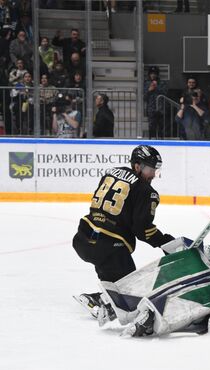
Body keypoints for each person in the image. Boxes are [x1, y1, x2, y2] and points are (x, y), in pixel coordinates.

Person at [72, 145, 175, 320]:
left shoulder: (111, 172)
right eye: (150, 169)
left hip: (84, 237)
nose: (153, 175)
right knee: (132, 293)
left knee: (115, 276)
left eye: (155, 170)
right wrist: (166, 242)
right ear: (137, 166)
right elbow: (142, 230)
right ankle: (99, 300)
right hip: (110, 247)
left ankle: (106, 293)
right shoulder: (147, 192)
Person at [143, 66, 167, 139]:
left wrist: (156, 87)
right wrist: (150, 90)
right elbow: (144, 97)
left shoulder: (162, 83)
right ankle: (151, 140)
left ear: (157, 74)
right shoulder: (146, 83)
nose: (153, 75)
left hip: (160, 108)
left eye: (154, 73)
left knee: (161, 126)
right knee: (151, 126)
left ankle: (161, 140)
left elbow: (165, 93)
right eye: (151, 74)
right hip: (151, 108)